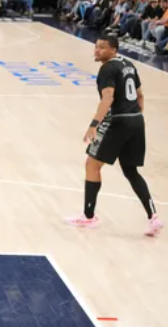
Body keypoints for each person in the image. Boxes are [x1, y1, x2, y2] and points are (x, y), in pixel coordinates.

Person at [66, 34, 162, 236]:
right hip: (136, 120)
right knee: (131, 170)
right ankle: (153, 217)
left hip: (118, 121)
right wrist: (135, 118)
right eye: (96, 46)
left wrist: (94, 124)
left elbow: (108, 97)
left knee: (92, 164)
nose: (97, 50)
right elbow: (140, 95)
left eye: (102, 47)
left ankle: (89, 217)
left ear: (113, 49)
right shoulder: (129, 64)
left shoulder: (107, 69)